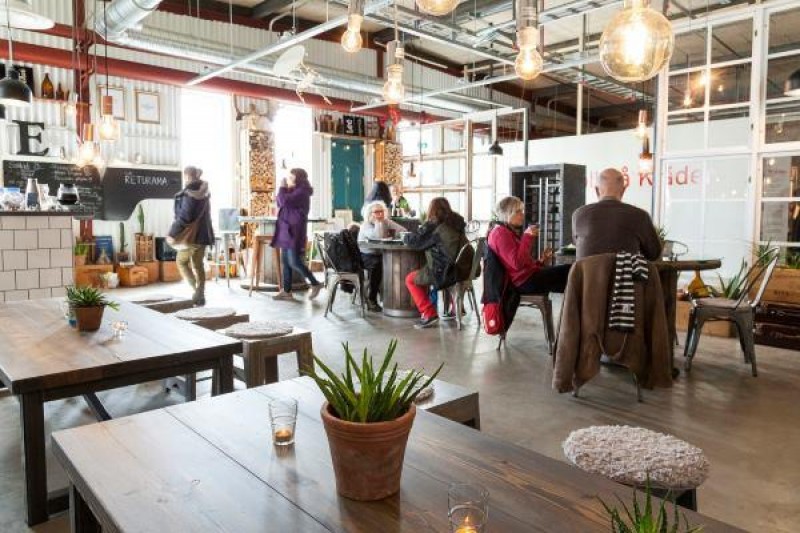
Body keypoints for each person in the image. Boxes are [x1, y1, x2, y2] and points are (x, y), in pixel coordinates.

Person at [404, 197, 472, 329]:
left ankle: (429, 313)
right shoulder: (456, 223)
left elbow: (417, 242)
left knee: (410, 279)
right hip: (464, 269)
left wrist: (405, 237)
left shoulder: (434, 226)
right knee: (438, 268)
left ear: (431, 210)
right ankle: (457, 307)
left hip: (446, 272)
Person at [573, 168, 662, 261]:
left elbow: (577, 244)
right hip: (625, 270)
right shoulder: (640, 216)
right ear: (623, 190)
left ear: (597, 190)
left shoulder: (578, 215)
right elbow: (654, 254)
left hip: (588, 271)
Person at [488, 196, 571, 295]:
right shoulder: (500, 233)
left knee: (572, 280)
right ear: (507, 214)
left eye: (522, 211)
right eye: (518, 211)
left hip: (527, 278)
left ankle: (574, 303)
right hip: (524, 282)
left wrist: (541, 262)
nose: (522, 215)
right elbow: (517, 264)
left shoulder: (505, 231)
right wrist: (527, 236)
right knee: (573, 270)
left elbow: (523, 263)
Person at [271, 168, 323, 301]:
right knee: (285, 261)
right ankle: (287, 291)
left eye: (291, 176)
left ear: (298, 178)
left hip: (294, 230)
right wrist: (283, 190)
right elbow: (280, 203)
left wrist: (282, 188)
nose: (288, 179)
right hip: (286, 228)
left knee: (294, 261)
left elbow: (284, 201)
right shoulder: (292, 190)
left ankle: (315, 283)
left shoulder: (302, 191)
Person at [167, 166, 214, 306]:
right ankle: (200, 293)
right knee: (198, 264)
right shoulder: (205, 193)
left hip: (190, 237)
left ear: (187, 177)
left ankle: (197, 291)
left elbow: (184, 217)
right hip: (204, 235)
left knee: (181, 262)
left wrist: (172, 233)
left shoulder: (188, 194)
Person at [358, 200, 405, 312]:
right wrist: (378, 223)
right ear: (370, 214)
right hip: (367, 255)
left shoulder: (386, 221)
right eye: (376, 212)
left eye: (382, 211)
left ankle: (391, 299)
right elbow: (377, 237)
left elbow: (403, 230)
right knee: (377, 266)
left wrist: (393, 233)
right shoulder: (365, 225)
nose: (380, 214)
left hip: (380, 253)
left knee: (394, 263)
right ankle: (372, 299)